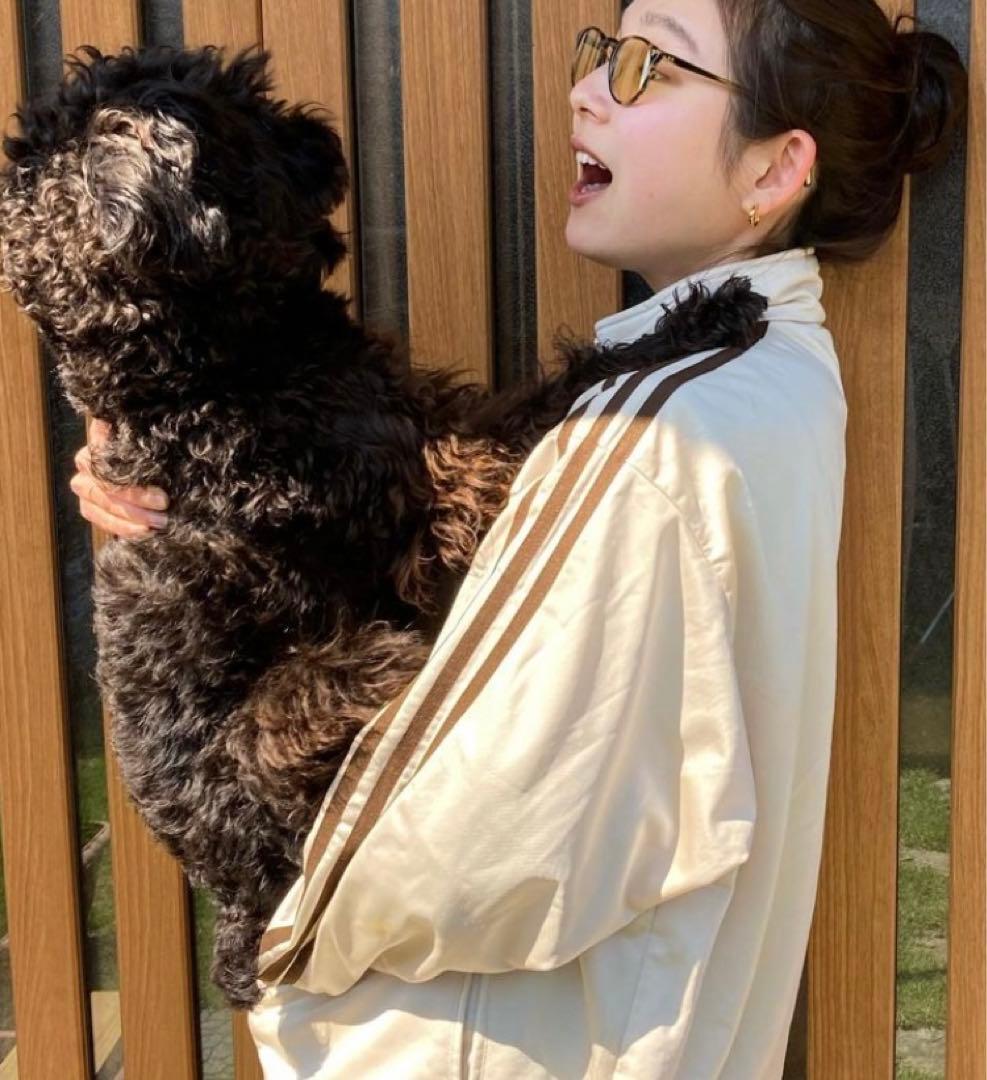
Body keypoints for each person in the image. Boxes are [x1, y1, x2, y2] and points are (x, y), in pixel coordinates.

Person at [70, 0, 967, 1075]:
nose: (585, 90)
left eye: (651, 67)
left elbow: (476, 837)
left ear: (776, 169)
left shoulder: (652, 438)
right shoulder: (756, 379)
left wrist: (285, 935)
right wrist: (181, 498)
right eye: (604, 53)